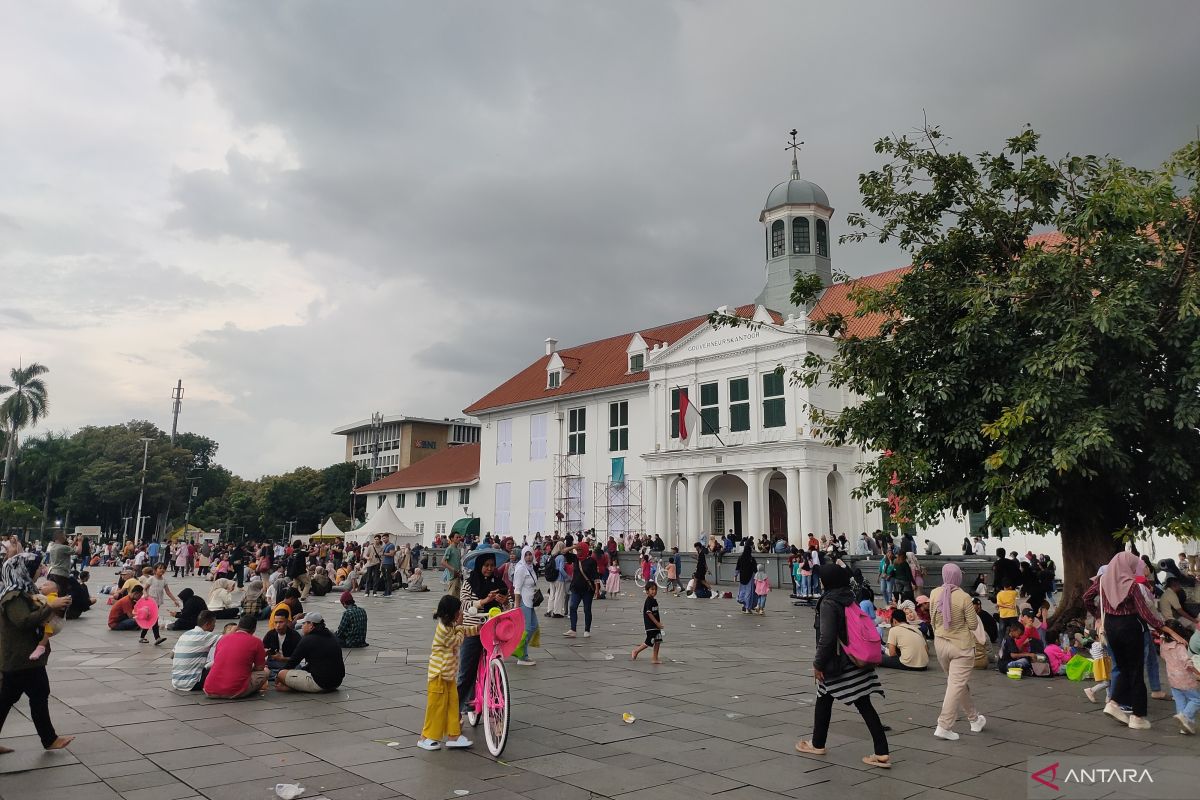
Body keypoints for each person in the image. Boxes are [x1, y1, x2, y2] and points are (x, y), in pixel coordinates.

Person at [795, 563, 889, 768]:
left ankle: (880, 752)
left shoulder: (829, 602)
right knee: (829, 699)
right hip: (853, 658)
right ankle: (819, 743)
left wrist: (817, 663)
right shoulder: (848, 597)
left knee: (854, 702)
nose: (820, 580)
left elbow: (827, 638)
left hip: (839, 664)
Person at [0, 542, 74, 751]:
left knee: (10, 698)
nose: (40, 572)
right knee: (37, 694)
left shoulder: (24, 592)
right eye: (37, 569)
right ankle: (49, 739)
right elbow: (22, 621)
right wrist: (50, 607)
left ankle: (49, 739)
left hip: (23, 658)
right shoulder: (13, 596)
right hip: (21, 658)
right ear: (25, 571)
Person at [1084, 551, 1164, 730]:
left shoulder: (1102, 580)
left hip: (1111, 627)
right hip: (1130, 627)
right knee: (1135, 671)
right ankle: (1138, 716)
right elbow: (1144, 612)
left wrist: (1098, 614)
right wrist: (1161, 626)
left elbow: (1086, 598)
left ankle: (1113, 702)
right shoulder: (1132, 585)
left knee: (1122, 667)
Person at [929, 563, 984, 740]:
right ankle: (944, 725)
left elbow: (932, 618)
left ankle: (974, 719)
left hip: (940, 643)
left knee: (957, 684)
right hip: (961, 646)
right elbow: (973, 624)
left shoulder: (934, 593)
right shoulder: (963, 597)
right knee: (955, 685)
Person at [417, 595, 477, 750]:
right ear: (452, 613)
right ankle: (425, 737)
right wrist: (461, 625)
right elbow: (457, 640)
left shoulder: (449, 625)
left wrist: (477, 629)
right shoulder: (444, 629)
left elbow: (460, 631)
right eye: (458, 611)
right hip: (439, 675)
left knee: (452, 706)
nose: (460, 613)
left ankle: (454, 736)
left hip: (448, 675)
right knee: (436, 707)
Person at [458, 552, 508, 720]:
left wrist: (503, 601)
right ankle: (457, 710)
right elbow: (464, 604)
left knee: (497, 666)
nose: (489, 569)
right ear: (479, 566)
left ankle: (497, 703)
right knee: (466, 671)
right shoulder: (469, 583)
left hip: (493, 628)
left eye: (492, 565)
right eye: (486, 565)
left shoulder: (499, 583)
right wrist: (484, 601)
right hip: (473, 628)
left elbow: (506, 608)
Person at [204, 615, 268, 699]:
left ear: (238, 627)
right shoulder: (257, 641)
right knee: (265, 672)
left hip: (209, 689)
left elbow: (217, 660)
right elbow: (259, 668)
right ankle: (249, 689)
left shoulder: (223, 639)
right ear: (254, 629)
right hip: (234, 691)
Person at [1159, 620, 1200, 734]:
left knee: (1180, 701)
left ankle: (1185, 726)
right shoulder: (1180, 646)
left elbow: (1162, 656)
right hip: (1185, 679)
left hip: (1172, 678)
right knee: (1197, 699)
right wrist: (1198, 673)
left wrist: (1162, 638)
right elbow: (1187, 663)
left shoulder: (1163, 645)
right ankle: (1185, 717)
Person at [170, 610, 220, 691]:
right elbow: (227, 640)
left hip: (176, 682)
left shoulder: (185, 635)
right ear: (207, 624)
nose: (214, 626)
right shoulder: (206, 636)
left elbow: (171, 655)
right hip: (192, 683)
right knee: (220, 667)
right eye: (214, 624)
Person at [510, 546, 540, 666]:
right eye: (526, 555)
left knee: (533, 626)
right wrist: (517, 606)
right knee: (527, 628)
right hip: (523, 602)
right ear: (523, 555)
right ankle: (521, 656)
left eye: (530, 554)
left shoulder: (531, 567)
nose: (528, 557)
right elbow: (517, 589)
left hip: (530, 601)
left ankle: (521, 652)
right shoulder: (521, 569)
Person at [566, 543, 598, 637]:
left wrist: (597, 589)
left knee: (587, 609)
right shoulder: (575, 558)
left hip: (587, 590)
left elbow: (595, 576)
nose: (578, 552)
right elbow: (563, 551)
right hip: (576, 588)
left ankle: (587, 630)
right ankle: (573, 629)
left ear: (584, 550)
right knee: (572, 607)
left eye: (580, 550)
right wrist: (573, 546)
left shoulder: (591, 561)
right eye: (577, 550)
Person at [631, 583, 663, 664]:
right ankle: (636, 651)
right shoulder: (649, 601)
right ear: (647, 591)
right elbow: (649, 613)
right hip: (651, 625)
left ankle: (655, 658)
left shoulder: (654, 600)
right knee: (650, 641)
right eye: (652, 589)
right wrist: (657, 623)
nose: (654, 591)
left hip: (656, 626)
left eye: (655, 589)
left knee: (658, 640)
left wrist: (658, 623)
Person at [263, 610, 301, 675]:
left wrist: (283, 659)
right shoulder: (270, 634)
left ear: (287, 622)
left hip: (289, 663)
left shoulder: (295, 636)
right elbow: (262, 649)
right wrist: (265, 651)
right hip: (273, 662)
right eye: (276, 622)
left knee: (298, 667)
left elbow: (298, 657)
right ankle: (281, 675)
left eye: (281, 622)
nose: (277, 625)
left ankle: (278, 674)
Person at [45, 532, 73, 597]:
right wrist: (80, 541)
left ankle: (52, 605)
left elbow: (69, 549)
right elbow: (78, 551)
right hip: (62, 574)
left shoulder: (53, 547)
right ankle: (60, 606)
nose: (65, 538)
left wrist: (73, 542)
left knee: (52, 592)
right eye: (64, 537)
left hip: (52, 572)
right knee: (61, 593)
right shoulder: (63, 547)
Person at [736, 541, 757, 615]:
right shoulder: (751, 559)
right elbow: (755, 569)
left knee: (742, 591)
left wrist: (735, 576)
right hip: (750, 577)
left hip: (742, 577)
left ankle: (743, 605)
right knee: (749, 592)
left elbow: (737, 567)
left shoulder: (740, 557)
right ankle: (748, 608)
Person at [441, 532, 464, 599]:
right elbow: (443, 562)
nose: (459, 539)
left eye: (459, 537)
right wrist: (453, 569)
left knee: (457, 596)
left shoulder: (458, 549)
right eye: (457, 537)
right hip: (452, 575)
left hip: (457, 575)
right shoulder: (450, 548)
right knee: (452, 595)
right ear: (452, 539)